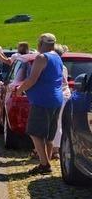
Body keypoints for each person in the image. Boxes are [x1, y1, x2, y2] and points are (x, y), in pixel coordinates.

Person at [16, 33, 64, 174]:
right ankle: (46, 161)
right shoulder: (57, 57)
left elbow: (32, 79)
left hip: (42, 100)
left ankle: (44, 164)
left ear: (41, 44)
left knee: (35, 133)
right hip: (56, 99)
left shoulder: (42, 57)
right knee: (48, 135)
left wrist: (20, 90)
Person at [50, 44, 71, 159]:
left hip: (58, 96)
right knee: (60, 123)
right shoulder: (63, 67)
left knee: (56, 123)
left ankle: (55, 150)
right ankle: (56, 149)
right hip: (65, 94)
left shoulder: (54, 65)